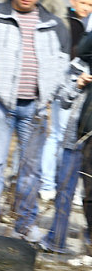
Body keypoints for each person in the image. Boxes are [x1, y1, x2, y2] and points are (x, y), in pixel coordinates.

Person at [0, 0, 70, 239]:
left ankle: (25, 222)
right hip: (1, 106)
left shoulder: (55, 25)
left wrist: (50, 94)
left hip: (36, 109)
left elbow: (63, 64)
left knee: (30, 169)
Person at [39, 0, 92, 201]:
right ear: (73, 1)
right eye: (83, 3)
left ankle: (70, 186)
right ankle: (48, 183)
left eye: (90, 4)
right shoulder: (69, 25)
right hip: (66, 83)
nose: (86, 8)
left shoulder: (87, 26)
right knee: (58, 136)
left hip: (80, 89)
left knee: (73, 141)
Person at [40, 55, 92, 254]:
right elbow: (63, 99)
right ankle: (56, 239)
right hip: (75, 139)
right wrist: (78, 85)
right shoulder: (79, 65)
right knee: (64, 192)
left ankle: (89, 241)